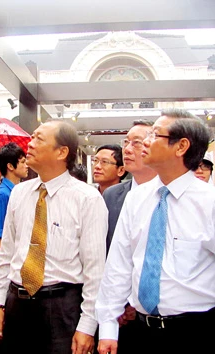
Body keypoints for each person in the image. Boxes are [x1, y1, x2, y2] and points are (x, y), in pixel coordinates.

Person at [96, 108, 215, 354]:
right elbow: (119, 265)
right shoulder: (136, 198)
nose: (145, 143)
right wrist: (108, 326)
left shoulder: (208, 202)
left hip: (196, 330)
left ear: (181, 146)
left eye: (154, 135)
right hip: (139, 331)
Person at [0, 120, 108, 354]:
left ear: (62, 152)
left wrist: (87, 325)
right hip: (16, 303)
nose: (29, 145)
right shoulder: (20, 193)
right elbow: (7, 255)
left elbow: (95, 270)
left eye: (38, 139)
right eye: (31, 138)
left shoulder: (87, 199)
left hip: (61, 307)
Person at [101, 120, 157, 354]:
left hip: (155, 312)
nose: (128, 148)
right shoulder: (112, 195)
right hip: (115, 315)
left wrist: (135, 300)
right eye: (126, 142)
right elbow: (107, 252)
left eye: (136, 142)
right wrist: (118, 303)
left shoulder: (167, 195)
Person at [0, 142, 28, 297]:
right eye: (22, 162)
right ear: (10, 166)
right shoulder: (3, 196)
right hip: (6, 273)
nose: (26, 165)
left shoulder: (17, 193)